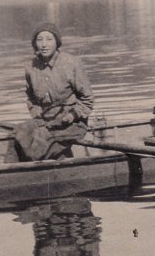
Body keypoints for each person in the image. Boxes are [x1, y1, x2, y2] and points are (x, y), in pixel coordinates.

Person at [12, 22, 95, 160]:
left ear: (57, 42)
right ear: (34, 44)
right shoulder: (30, 67)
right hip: (45, 122)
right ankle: (9, 171)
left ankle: (49, 161)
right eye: (40, 40)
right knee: (18, 133)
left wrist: (73, 115)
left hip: (71, 124)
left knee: (39, 143)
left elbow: (87, 99)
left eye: (49, 39)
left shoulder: (71, 63)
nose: (44, 45)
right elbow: (31, 99)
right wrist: (37, 116)